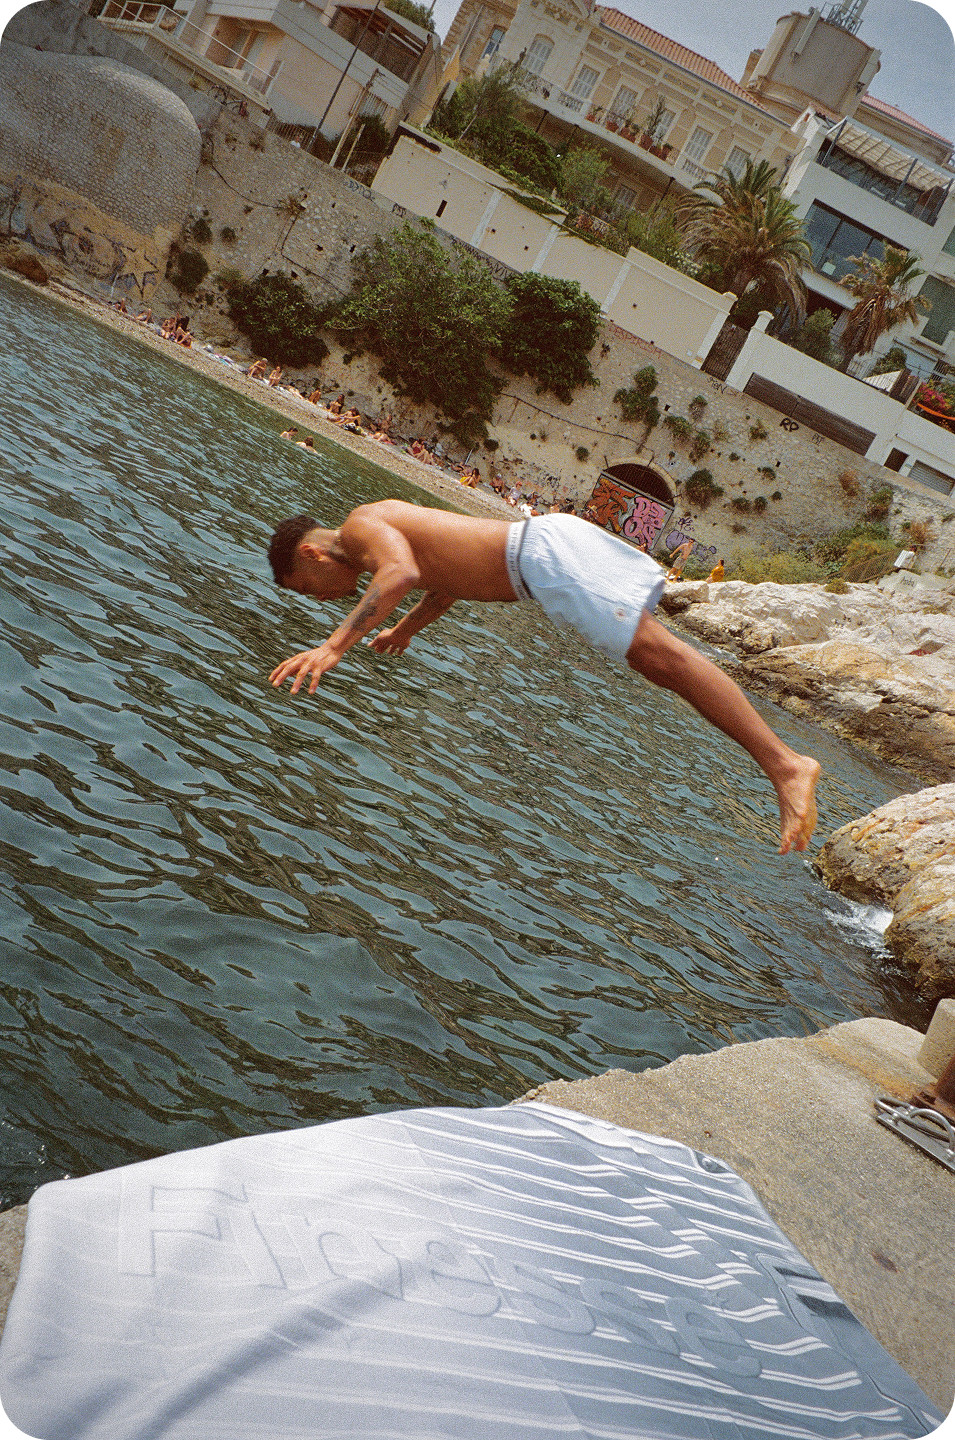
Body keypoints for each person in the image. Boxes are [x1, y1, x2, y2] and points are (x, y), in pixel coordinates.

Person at [266, 503, 820, 854]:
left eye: (306, 588)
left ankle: (786, 765)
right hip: (545, 549)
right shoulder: (375, 534)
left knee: (662, 657)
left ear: (310, 554)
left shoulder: (360, 528)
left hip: (543, 557)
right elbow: (444, 577)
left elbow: (402, 573)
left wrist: (334, 646)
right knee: (654, 659)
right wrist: (406, 629)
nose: (320, 598)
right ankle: (783, 763)